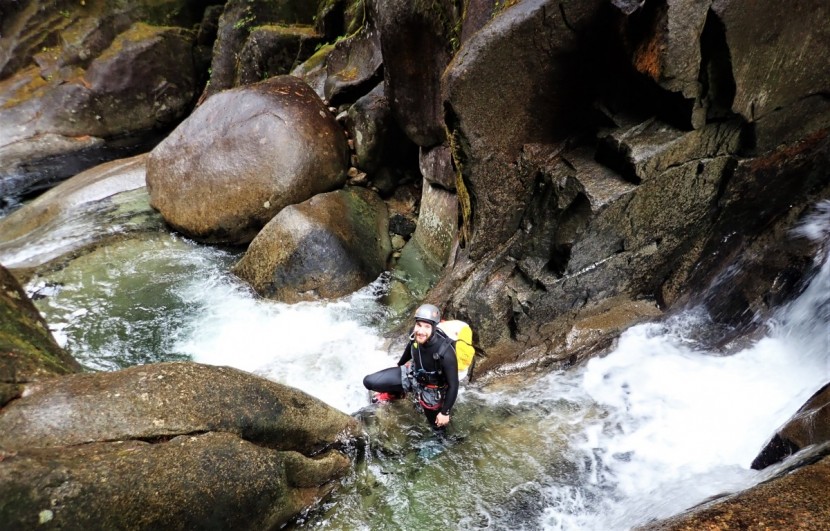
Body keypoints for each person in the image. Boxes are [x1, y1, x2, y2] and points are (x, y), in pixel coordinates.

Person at [363, 303, 459, 431]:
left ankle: (439, 442)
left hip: (432, 390)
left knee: (437, 427)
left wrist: (445, 413)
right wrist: (399, 366)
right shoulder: (415, 336)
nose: (421, 331)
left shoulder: (446, 353)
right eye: (419, 325)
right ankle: (397, 393)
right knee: (369, 382)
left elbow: (454, 385)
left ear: (434, 328)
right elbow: (410, 348)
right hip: (414, 374)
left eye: (426, 327)